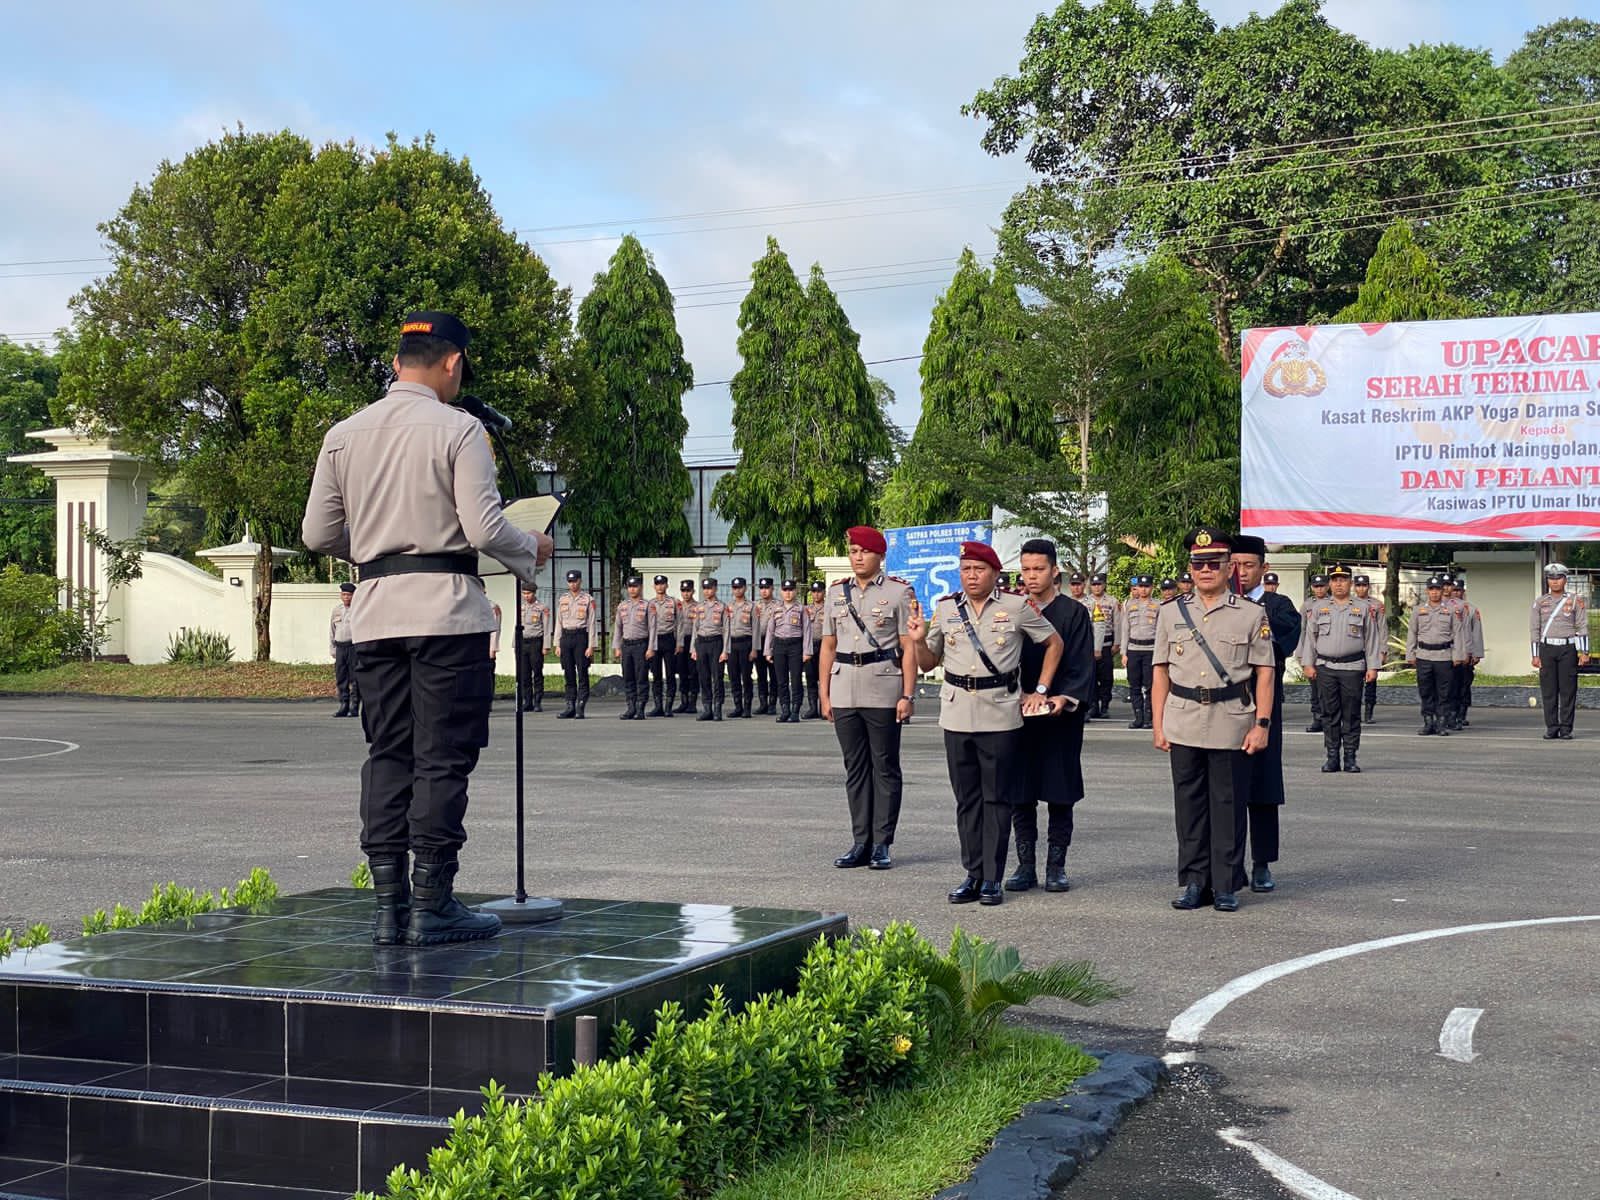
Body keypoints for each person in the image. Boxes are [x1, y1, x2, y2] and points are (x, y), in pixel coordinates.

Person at [301, 309, 553, 946]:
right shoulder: (460, 429)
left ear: (396, 364)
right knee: (442, 756)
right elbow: (484, 529)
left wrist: (379, 543)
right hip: (446, 614)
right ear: (453, 362)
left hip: (375, 615)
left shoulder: (343, 434)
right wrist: (532, 547)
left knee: (388, 752)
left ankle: (389, 909)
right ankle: (432, 905)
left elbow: (318, 534)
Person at [910, 541, 1062, 905]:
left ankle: (992, 877)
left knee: (996, 798)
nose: (971, 576)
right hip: (956, 712)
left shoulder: (1016, 606)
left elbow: (1054, 643)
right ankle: (973, 873)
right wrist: (916, 641)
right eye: (966, 570)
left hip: (999, 713)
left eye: (979, 569)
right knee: (967, 799)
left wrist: (1040, 689)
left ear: (995, 573)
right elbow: (928, 662)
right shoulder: (946, 608)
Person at [1151, 527, 1274, 914]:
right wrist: (1158, 724)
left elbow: (1265, 672)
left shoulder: (1251, 613)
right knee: (1188, 807)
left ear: (1228, 567)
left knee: (1228, 804)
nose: (1205, 570)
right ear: (1190, 567)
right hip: (1183, 718)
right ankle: (1194, 882)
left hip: (1231, 720)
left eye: (1214, 563)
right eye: (1198, 563)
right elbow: (1160, 671)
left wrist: (1262, 724)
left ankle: (1225, 883)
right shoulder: (1170, 612)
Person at [820, 527, 917, 871]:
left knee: (885, 766)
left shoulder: (898, 592)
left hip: (883, 688)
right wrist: (824, 692)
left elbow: (908, 647)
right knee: (855, 768)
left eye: (864, 551)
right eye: (853, 551)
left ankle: (881, 843)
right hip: (844, 686)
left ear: (880, 556)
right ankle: (860, 841)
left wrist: (907, 694)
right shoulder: (836, 593)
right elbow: (828, 645)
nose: (858, 557)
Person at [1005, 538, 1094, 894]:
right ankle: (1025, 865)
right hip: (1017, 714)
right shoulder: (1011, 608)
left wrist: (1063, 697)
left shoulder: (1073, 613)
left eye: (1039, 569)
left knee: (1060, 791)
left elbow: (1082, 664)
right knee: (1020, 792)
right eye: (1026, 569)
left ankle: (1056, 866)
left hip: (1059, 716)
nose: (1031, 576)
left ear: (1054, 571)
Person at [1232, 536, 1301, 894]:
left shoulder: (1278, 606)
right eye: (1235, 565)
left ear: (1264, 568)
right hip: (1224, 707)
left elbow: (1278, 647)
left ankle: (1262, 863)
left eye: (1248, 565)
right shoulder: (1218, 604)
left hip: (1264, 706)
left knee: (1263, 785)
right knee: (1225, 789)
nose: (1241, 572)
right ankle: (1229, 864)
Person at [1294, 564, 1382, 773]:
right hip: (1326, 668)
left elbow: (1372, 639)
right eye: (1335, 580)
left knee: (1351, 714)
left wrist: (1373, 667)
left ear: (1350, 582)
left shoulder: (1362, 608)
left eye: (1343, 580)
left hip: (1352, 668)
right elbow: (1310, 638)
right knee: (1329, 713)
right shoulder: (1319, 608)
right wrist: (1308, 663)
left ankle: (1350, 757)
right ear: (1330, 583)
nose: (1339, 584)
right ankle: (1332, 756)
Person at [1531, 562, 1589, 740]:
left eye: (1558, 578)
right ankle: (1551, 727)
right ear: (1547, 580)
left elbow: (1582, 625)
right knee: (1548, 691)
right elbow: (1534, 629)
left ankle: (1566, 728)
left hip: (1567, 648)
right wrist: (1535, 654)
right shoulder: (1540, 602)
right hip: (1547, 649)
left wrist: (1584, 652)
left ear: (1565, 580)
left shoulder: (1575, 600)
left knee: (1568, 690)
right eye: (1551, 578)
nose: (1555, 582)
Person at [1406, 576, 1463, 737]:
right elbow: (1412, 633)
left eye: (1437, 589)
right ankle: (1428, 722)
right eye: (1431, 589)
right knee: (1425, 691)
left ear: (1442, 590)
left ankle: (1441, 724)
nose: (1434, 592)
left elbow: (1458, 634)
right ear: (1427, 591)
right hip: (1424, 656)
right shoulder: (1418, 610)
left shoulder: (1451, 611)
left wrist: (1458, 655)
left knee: (1444, 693)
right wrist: (1410, 653)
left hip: (1444, 657)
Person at [764, 578, 812, 723]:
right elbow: (770, 630)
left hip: (795, 645)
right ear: (781, 592)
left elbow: (807, 630)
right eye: (785, 590)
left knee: (796, 679)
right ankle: (785, 710)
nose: (788, 593)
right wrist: (768, 651)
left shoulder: (801, 609)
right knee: (781, 680)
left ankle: (795, 711)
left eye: (790, 590)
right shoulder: (776, 609)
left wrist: (807, 651)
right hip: (779, 645)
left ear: (795, 591)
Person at [612, 575, 655, 721]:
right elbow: (618, 627)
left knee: (641, 677)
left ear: (640, 587)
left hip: (641, 645)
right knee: (628, 677)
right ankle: (630, 707)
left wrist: (651, 648)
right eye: (630, 587)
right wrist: (617, 646)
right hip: (627, 646)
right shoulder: (622, 606)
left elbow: (653, 628)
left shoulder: (648, 605)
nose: (632, 589)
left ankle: (640, 708)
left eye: (635, 586)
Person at [1120, 575, 1160, 729]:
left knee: (1150, 686)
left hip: (1151, 650)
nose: (1143, 590)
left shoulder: (1158, 605)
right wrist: (1124, 653)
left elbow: (1161, 631)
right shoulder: (1129, 605)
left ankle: (1149, 717)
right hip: (1133, 649)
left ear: (1152, 588)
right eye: (1141, 587)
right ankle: (1138, 717)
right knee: (1134, 685)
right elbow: (1125, 630)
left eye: (1146, 586)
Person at [556, 569, 596, 720]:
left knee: (582, 672)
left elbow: (592, 623)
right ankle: (570, 706)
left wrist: (591, 645)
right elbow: (558, 622)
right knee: (568, 673)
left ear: (580, 581)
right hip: (566, 637)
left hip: (580, 637)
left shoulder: (588, 599)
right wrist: (557, 643)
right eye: (570, 581)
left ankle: (580, 706)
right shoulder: (563, 599)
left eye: (575, 581)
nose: (572, 584)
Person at [690, 577, 730, 721]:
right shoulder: (699, 607)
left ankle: (717, 708)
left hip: (716, 643)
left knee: (717, 677)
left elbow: (726, 629)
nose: (707, 591)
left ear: (715, 588)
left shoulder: (722, 607)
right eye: (705, 588)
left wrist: (725, 650)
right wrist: (693, 649)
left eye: (710, 588)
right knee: (703, 677)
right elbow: (695, 628)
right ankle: (707, 709)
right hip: (701, 643)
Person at [1448, 576, 1483, 730]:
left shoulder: (1471, 609)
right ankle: (1450, 715)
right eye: (1453, 590)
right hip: (1448, 653)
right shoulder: (1445, 608)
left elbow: (1477, 632)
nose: (1456, 593)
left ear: (1463, 591)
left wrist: (1476, 653)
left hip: (1466, 654)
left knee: (1463, 686)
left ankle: (1461, 715)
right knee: (1450, 686)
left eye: (1458, 590)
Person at [1352, 574, 1386, 723]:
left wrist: (1383, 650)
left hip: (1372, 648)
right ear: (1354, 587)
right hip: (1355, 648)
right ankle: (1355, 712)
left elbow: (1382, 628)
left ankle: (1368, 712)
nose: (1361, 588)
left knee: (1371, 682)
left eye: (1364, 585)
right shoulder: (1349, 603)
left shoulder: (1377, 605)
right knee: (1354, 683)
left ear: (1368, 586)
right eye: (1358, 585)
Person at [1086, 573, 1120, 718]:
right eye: (1094, 585)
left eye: (1099, 584)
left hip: (1107, 644)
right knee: (1091, 677)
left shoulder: (1112, 601)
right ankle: (1093, 705)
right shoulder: (1086, 602)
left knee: (1106, 678)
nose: (1097, 587)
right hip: (1090, 645)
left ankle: (1105, 705)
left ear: (1104, 585)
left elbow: (1117, 623)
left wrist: (1117, 642)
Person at [726, 577, 758, 718]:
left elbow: (756, 629)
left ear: (745, 588)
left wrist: (754, 649)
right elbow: (725, 628)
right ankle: (737, 706)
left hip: (746, 643)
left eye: (739, 587)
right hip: (732, 644)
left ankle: (747, 707)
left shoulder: (751, 606)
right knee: (733, 676)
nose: (737, 590)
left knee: (746, 676)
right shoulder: (728, 606)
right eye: (735, 588)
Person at [647, 575, 679, 717]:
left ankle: (668, 707)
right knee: (656, 674)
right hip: (654, 641)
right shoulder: (649, 604)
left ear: (667, 585)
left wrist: (679, 643)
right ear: (654, 586)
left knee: (670, 674)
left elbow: (680, 623)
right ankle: (658, 706)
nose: (660, 586)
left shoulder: (673, 602)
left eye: (662, 584)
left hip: (669, 639)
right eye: (657, 584)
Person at [1302, 573, 1330, 732]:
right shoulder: (1307, 605)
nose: (1319, 589)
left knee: (1328, 689)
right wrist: (1302, 654)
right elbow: (1302, 630)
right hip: (1312, 652)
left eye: (1322, 586)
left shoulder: (1334, 603)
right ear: (1312, 587)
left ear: (1327, 586)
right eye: (1316, 586)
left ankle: (1330, 719)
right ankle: (1317, 718)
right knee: (1315, 689)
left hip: (1328, 652)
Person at [517, 583, 550, 712]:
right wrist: (515, 644)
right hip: (522, 642)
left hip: (536, 642)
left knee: (537, 672)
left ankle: (537, 701)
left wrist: (546, 646)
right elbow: (517, 627)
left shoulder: (542, 608)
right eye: (524, 593)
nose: (526, 596)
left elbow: (547, 628)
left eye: (528, 593)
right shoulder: (521, 607)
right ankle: (527, 701)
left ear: (534, 593)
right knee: (524, 674)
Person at [330, 582, 360, 718]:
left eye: (349, 595)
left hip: (353, 647)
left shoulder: (358, 610)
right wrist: (332, 648)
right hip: (340, 647)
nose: (346, 597)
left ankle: (354, 706)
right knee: (341, 677)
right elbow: (332, 630)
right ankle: (343, 705)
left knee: (355, 678)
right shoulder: (337, 610)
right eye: (344, 594)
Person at [753, 578, 780, 715]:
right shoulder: (755, 605)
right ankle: (763, 703)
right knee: (761, 673)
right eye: (762, 588)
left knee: (774, 674)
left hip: (773, 642)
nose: (764, 591)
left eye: (767, 588)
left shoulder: (778, 605)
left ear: (772, 588)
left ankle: (772, 703)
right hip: (759, 641)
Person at [673, 580, 699, 714]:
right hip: (680, 641)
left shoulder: (698, 606)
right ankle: (684, 702)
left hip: (693, 641)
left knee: (693, 672)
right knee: (682, 672)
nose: (686, 593)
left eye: (688, 590)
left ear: (693, 591)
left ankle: (692, 703)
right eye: (683, 591)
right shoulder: (677, 606)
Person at [803, 580, 827, 719]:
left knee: (825, 678)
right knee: (810, 677)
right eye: (814, 591)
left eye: (819, 591)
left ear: (824, 592)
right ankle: (812, 708)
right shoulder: (806, 609)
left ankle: (824, 707)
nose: (816, 594)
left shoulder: (829, 608)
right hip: (810, 645)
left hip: (824, 645)